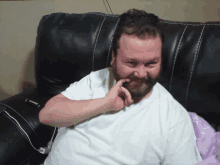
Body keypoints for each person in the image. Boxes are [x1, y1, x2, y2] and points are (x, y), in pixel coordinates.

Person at [39, 9, 202, 165]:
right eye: (131, 63)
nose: (141, 73)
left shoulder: (173, 118)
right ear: (114, 58)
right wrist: (104, 104)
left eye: (151, 63)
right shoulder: (97, 80)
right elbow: (47, 115)